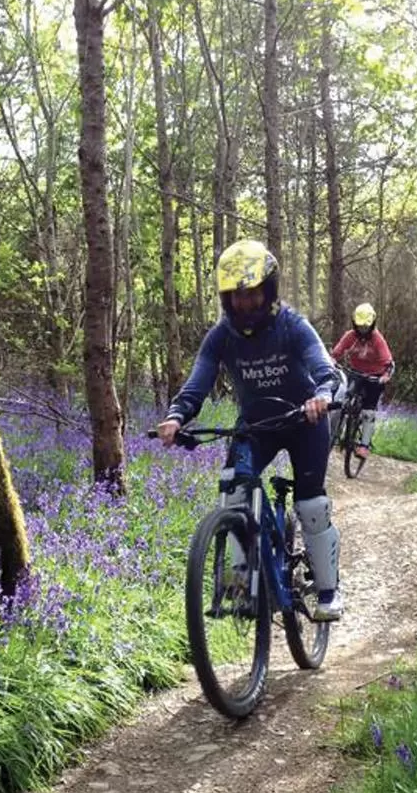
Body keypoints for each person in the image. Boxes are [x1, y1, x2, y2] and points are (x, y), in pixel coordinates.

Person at [155, 239, 344, 621]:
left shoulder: (292, 325)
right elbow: (198, 383)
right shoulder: (220, 336)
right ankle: (242, 584)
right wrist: (177, 416)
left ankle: (328, 592)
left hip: (304, 422)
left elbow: (325, 368)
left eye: (251, 294)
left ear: (269, 290)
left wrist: (322, 394)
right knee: (234, 490)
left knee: (310, 505)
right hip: (256, 426)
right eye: (235, 297)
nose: (243, 304)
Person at [330, 302, 395, 459]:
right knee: (343, 400)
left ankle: (364, 445)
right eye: (359, 327)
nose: (362, 330)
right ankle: (334, 433)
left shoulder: (377, 339)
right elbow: (336, 352)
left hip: (375, 377)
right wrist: (331, 361)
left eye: (366, 327)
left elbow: (388, 362)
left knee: (368, 410)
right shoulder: (350, 336)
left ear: (372, 324)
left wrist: (385, 376)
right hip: (356, 373)